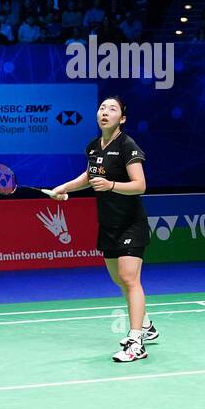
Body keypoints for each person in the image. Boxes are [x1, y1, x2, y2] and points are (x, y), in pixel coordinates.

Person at [49, 96, 156, 362]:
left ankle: (136, 342)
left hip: (131, 222)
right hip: (108, 223)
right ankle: (147, 325)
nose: (104, 112)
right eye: (101, 108)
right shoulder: (93, 147)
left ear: (122, 119)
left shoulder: (127, 146)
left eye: (112, 109)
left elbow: (140, 185)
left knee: (130, 279)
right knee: (119, 279)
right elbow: (89, 176)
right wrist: (64, 188)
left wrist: (111, 186)